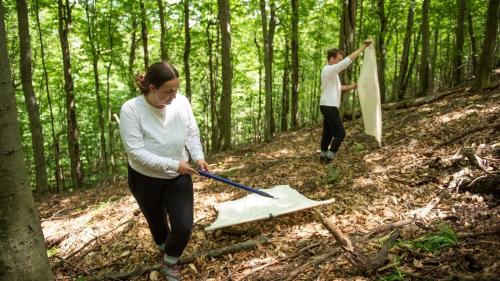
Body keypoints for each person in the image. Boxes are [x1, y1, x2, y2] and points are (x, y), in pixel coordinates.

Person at [119, 61, 211, 281]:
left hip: (178, 175)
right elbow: (136, 153)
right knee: (158, 224)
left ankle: (169, 263)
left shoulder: (181, 103)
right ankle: (164, 251)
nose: (174, 95)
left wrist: (198, 156)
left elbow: (191, 132)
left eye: (177, 89)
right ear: (152, 88)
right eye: (168, 91)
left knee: (183, 226)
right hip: (144, 178)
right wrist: (173, 164)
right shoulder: (131, 109)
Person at [319, 39, 373, 163]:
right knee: (340, 133)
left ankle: (323, 156)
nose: (340, 62)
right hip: (329, 105)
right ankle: (330, 157)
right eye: (339, 60)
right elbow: (346, 63)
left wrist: (349, 87)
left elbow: (336, 87)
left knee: (328, 132)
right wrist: (363, 47)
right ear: (331, 59)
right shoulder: (328, 69)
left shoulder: (331, 73)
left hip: (327, 105)